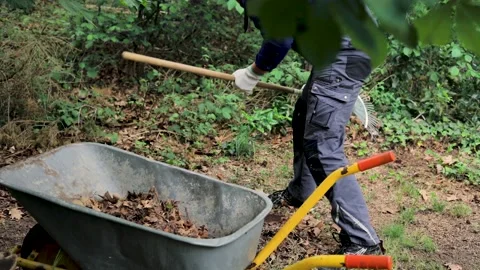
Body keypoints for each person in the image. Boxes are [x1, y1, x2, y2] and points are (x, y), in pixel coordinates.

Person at [232, 0, 385, 265]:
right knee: (305, 115)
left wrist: (253, 72)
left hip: (345, 49)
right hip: (342, 44)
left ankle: (363, 240)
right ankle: (301, 191)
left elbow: (280, 40)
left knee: (322, 146)